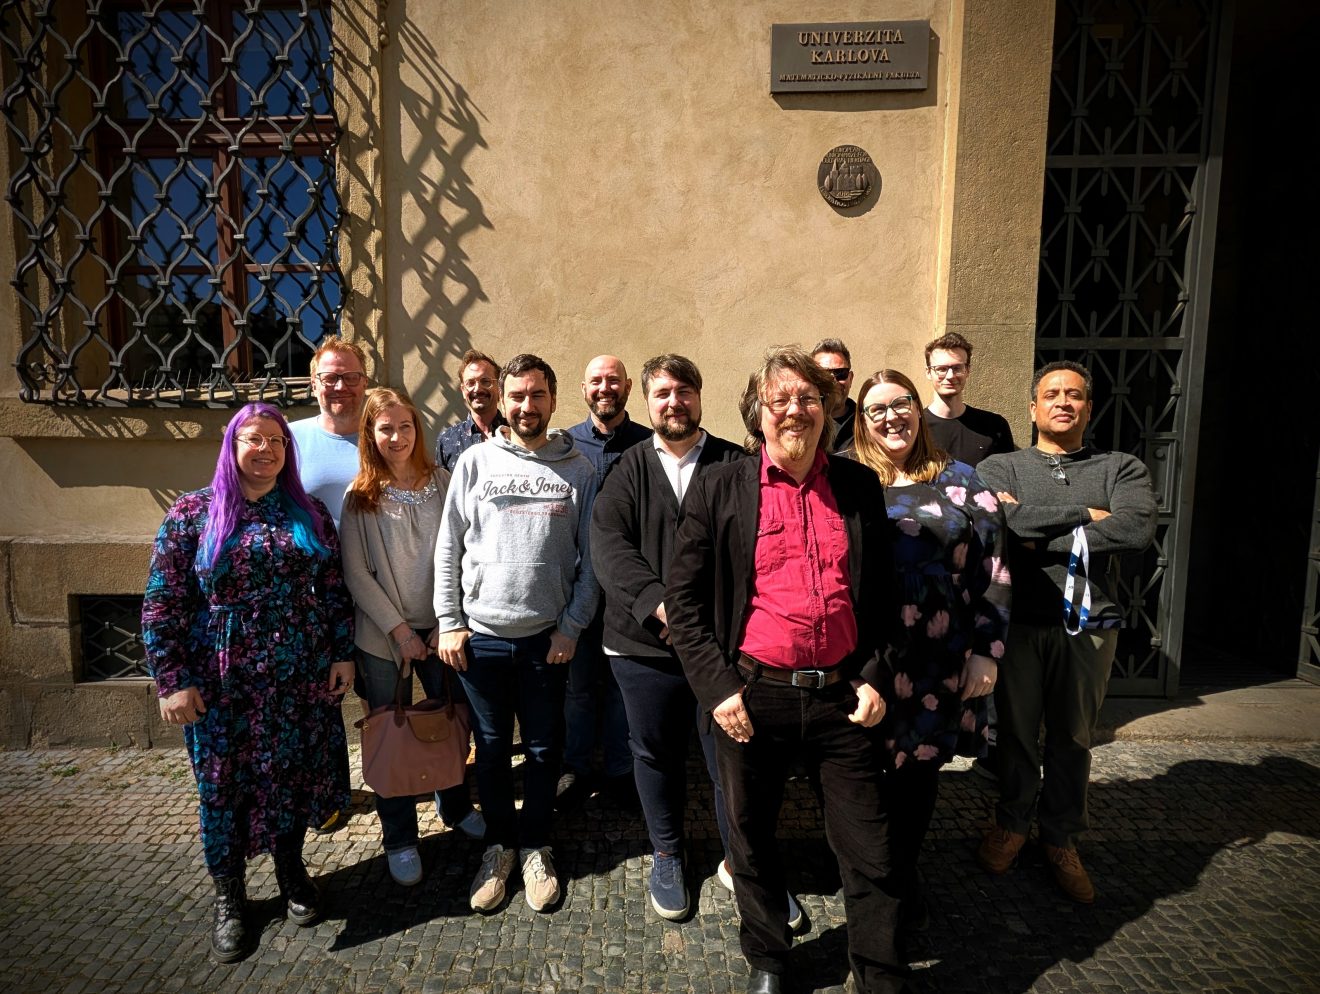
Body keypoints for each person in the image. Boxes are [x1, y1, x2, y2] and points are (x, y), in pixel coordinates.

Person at [666, 346, 903, 994]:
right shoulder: (720, 487)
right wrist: (717, 690)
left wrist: (879, 675)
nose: (795, 410)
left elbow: (883, 596)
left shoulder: (857, 487)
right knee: (749, 838)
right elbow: (681, 602)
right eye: (781, 400)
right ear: (758, 414)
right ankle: (770, 959)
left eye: (808, 398)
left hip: (842, 701)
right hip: (752, 699)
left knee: (870, 849)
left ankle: (879, 974)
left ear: (828, 411)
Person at [142, 403, 354, 962]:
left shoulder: (308, 514)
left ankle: (291, 873)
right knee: (222, 785)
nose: (266, 450)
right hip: (221, 679)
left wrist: (340, 654)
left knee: (291, 774)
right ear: (232, 446)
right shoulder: (193, 514)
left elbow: (332, 589)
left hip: (297, 674)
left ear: (288, 452)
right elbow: (163, 603)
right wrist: (172, 679)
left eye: (277, 442)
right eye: (254, 440)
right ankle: (231, 898)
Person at [976, 360, 1156, 904]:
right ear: (1032, 408)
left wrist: (1038, 529)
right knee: (1013, 733)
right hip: (1021, 622)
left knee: (1073, 737)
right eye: (1051, 393)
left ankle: (1060, 838)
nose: (1063, 402)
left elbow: (1137, 528)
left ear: (1089, 408)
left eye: (1074, 395)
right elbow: (1000, 523)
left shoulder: (1121, 467)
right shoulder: (1000, 468)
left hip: (1090, 625)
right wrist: (1087, 516)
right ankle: (1011, 823)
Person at [433, 354, 599, 914]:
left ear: (553, 400)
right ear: (502, 403)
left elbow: (591, 562)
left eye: (537, 394)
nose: (527, 406)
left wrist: (571, 628)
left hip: (546, 640)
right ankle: (500, 848)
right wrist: (450, 622)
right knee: (495, 748)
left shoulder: (579, 468)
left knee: (547, 747)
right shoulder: (476, 462)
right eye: (517, 396)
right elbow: (449, 546)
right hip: (481, 638)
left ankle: (536, 846)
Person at [847, 369, 1011, 938]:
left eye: (901, 404)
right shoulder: (845, 478)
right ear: (862, 420)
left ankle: (903, 872)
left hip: (940, 659)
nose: (891, 417)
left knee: (916, 780)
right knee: (860, 778)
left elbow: (996, 570)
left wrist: (988, 653)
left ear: (919, 409)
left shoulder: (963, 481)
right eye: (877, 409)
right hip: (865, 659)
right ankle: (873, 880)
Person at [340, 388, 485, 888]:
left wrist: (449, 621)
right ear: (370, 434)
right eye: (386, 429)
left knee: (448, 723)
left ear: (417, 430)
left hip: (444, 630)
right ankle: (399, 836)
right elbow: (356, 574)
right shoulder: (360, 496)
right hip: (384, 639)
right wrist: (400, 632)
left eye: (405, 427)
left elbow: (467, 551)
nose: (397, 437)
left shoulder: (444, 481)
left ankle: (455, 804)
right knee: (391, 737)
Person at [560, 355, 652, 811]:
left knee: (620, 689)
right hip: (577, 591)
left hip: (626, 593)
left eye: (613, 380)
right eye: (596, 380)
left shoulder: (648, 445)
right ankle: (576, 769)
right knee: (577, 689)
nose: (604, 388)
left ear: (628, 387)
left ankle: (620, 772)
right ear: (583, 388)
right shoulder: (564, 445)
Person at [289, 336, 370, 527]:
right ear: (314, 385)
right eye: (330, 378)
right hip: (312, 555)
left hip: (375, 556)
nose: (340, 387)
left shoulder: (387, 439)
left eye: (351, 378)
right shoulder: (287, 438)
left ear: (364, 383)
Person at [922, 332, 1015, 467]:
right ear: (928, 373)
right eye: (941, 369)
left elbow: (1006, 478)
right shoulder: (916, 427)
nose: (950, 376)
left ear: (968, 370)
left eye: (957, 368)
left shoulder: (995, 426)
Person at [435, 349, 507, 471]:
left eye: (486, 381)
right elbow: (442, 489)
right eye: (470, 383)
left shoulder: (516, 433)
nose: (478, 389)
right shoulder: (447, 441)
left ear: (499, 387)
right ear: (463, 391)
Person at [811, 337, 857, 452]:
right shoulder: (803, 422)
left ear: (850, 378)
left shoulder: (866, 423)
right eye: (823, 374)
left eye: (840, 373)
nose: (833, 381)